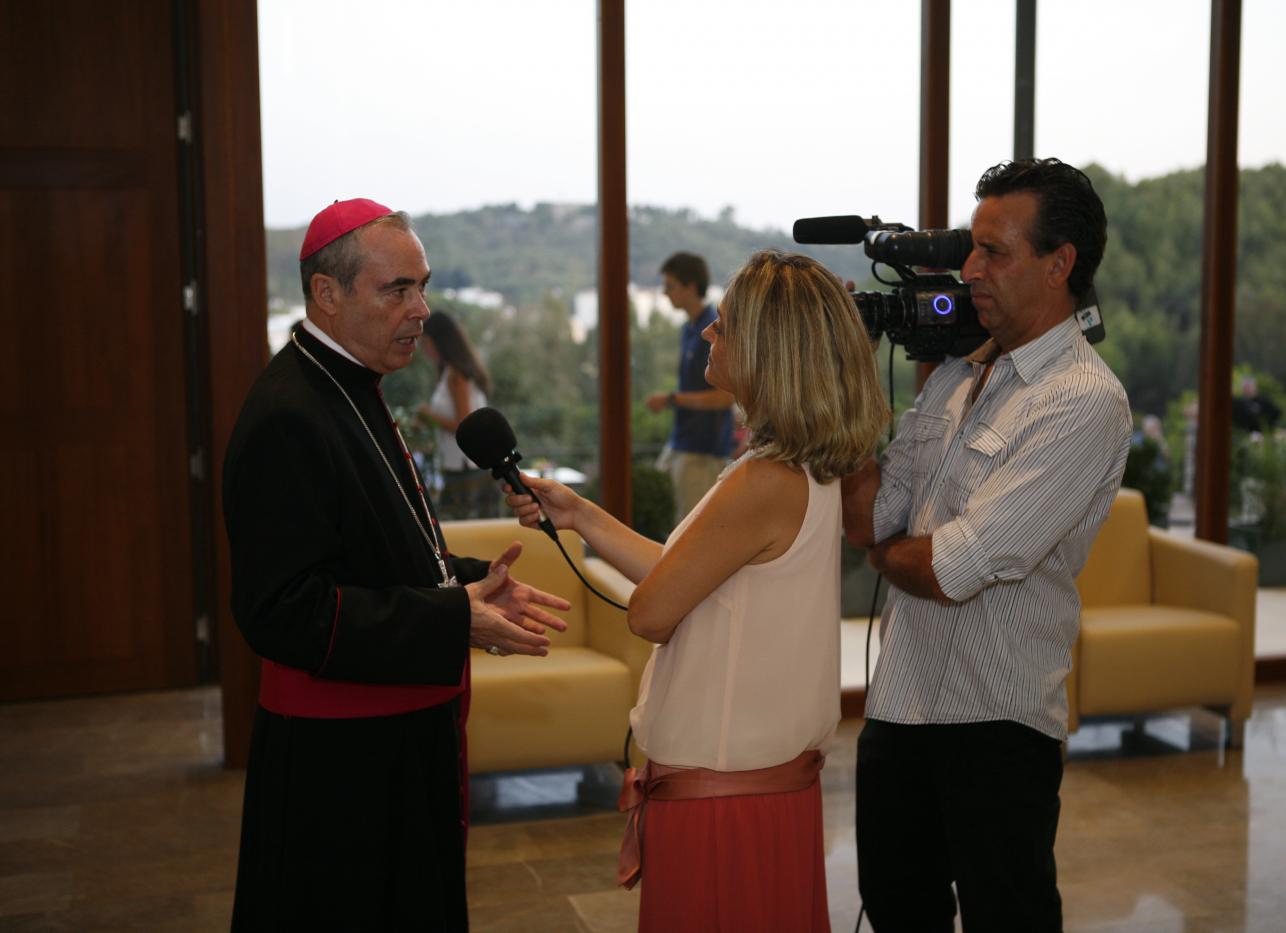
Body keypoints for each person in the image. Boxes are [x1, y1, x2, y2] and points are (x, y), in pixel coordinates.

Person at [507, 249, 888, 932]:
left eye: (727, 325)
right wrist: (582, 514)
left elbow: (653, 610)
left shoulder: (759, 482)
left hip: (723, 805)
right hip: (759, 789)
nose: (710, 333)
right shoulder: (800, 468)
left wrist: (601, 542)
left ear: (770, 353)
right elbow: (693, 575)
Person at [223, 198, 571, 932]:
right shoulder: (290, 412)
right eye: (398, 289)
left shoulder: (350, 385)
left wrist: (473, 582)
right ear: (328, 293)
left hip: (394, 740)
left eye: (424, 285)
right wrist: (454, 615)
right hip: (341, 766)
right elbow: (281, 609)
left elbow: (382, 546)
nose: (421, 309)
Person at [841, 158, 1132, 932]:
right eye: (971, 247)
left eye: (993, 251)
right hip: (899, 710)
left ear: (1059, 263)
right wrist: (843, 389)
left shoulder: (1082, 401)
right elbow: (867, 521)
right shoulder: (950, 378)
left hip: (997, 728)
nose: (969, 269)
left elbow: (950, 568)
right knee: (901, 915)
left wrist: (889, 554)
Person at [646, 251, 736, 522]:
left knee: (690, 531)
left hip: (703, 451)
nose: (665, 293)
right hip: (683, 442)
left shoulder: (713, 329)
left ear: (691, 287)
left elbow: (724, 398)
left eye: (670, 286)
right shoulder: (689, 329)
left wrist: (673, 398)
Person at [417, 310, 496, 518]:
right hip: (461, 464)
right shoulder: (453, 372)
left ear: (439, 342)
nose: (424, 350)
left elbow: (464, 425)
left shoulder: (456, 376)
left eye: (426, 343)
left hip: (464, 467)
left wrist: (429, 415)